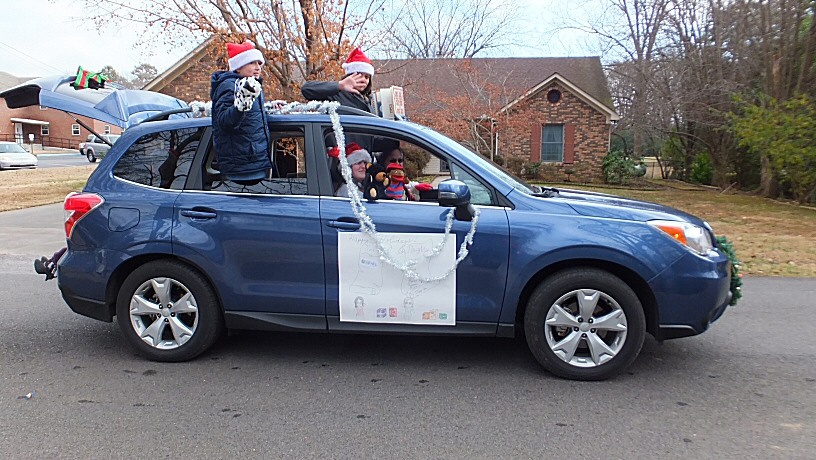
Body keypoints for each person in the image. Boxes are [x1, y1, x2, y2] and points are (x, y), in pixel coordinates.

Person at [210, 40, 273, 184]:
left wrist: (270, 107)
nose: (258, 68)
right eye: (252, 63)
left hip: (254, 163)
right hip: (242, 167)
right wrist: (240, 105)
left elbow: (251, 115)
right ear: (238, 67)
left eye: (259, 63)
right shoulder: (230, 86)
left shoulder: (251, 85)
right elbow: (224, 122)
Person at [301, 47, 376, 114]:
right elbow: (306, 89)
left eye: (366, 77)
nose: (363, 79)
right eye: (359, 75)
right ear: (349, 76)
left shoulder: (368, 101)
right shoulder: (337, 94)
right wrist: (340, 85)